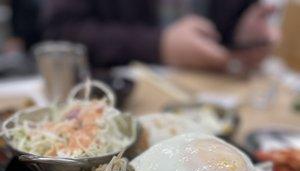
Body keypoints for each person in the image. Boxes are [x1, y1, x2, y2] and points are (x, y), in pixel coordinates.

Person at [41, 0, 280, 73]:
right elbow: (60, 32)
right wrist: (158, 44)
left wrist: (244, 33)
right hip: (120, 95)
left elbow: (231, 22)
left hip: (214, 88)